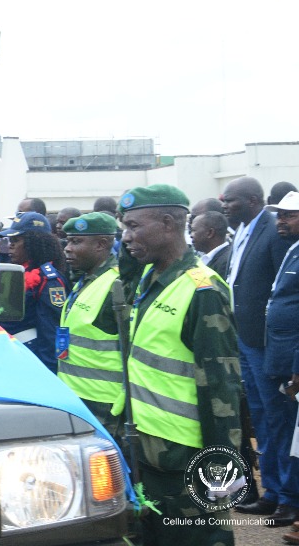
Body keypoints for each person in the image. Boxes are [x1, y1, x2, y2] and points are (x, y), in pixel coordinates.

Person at [117, 185, 241, 545]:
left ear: (169, 224)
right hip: (148, 449)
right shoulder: (150, 277)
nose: (126, 237)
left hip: (184, 457)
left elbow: (222, 389)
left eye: (134, 226)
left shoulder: (202, 290)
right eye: (123, 228)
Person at [222, 177, 293, 523]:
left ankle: (288, 496)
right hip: (245, 338)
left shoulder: (274, 230)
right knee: (261, 418)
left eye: (230, 201)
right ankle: (272, 492)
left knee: (279, 418)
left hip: (267, 343)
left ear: (252, 200)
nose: (224, 206)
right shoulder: (242, 231)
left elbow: (285, 288)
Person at [58, 212, 124, 433]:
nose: (68, 248)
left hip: (104, 403)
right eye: (68, 241)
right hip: (77, 396)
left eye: (76, 242)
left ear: (101, 244)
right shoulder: (86, 278)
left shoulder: (117, 285)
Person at [258, 192, 299, 544]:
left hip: (292, 363)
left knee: (292, 434)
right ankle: (287, 499)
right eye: (279, 215)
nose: (281, 221)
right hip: (280, 357)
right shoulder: (292, 248)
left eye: (289, 215)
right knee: (284, 431)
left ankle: (291, 501)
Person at [0, 212, 69, 372]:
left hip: (34, 357)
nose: (10, 245)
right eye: (10, 240)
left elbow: (50, 331)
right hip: (13, 351)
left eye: (16, 240)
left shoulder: (49, 279)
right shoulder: (18, 271)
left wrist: (47, 371)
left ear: (33, 243)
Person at [190, 211, 231, 278]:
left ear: (210, 233)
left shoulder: (226, 262)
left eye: (194, 230)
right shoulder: (207, 258)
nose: (191, 235)